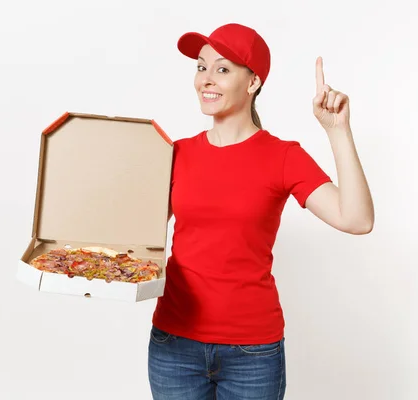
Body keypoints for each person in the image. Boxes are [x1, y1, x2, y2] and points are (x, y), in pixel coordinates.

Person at [147, 22, 374, 400]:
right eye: (201, 67)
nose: (207, 79)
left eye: (222, 69)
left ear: (252, 83)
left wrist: (337, 131)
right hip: (174, 346)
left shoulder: (283, 157)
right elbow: (135, 234)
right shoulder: (176, 153)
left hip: (251, 353)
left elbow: (356, 219)